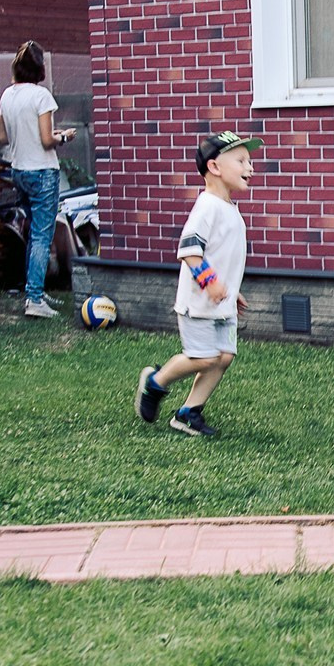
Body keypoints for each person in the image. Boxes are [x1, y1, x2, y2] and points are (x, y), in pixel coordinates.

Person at [136, 132, 260, 438]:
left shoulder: (229, 208)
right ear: (215, 167)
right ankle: (155, 382)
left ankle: (189, 413)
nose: (251, 167)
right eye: (241, 160)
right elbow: (190, 252)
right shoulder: (207, 207)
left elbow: (222, 255)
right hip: (199, 303)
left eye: (250, 160)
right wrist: (211, 283)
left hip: (222, 302)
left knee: (224, 357)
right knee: (203, 357)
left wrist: (231, 288)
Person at [0, 41, 75, 320]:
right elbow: (46, 139)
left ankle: (34, 290)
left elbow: (2, 137)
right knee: (42, 236)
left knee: (32, 234)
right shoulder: (41, 96)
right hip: (42, 172)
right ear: (39, 69)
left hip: (19, 171)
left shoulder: (7, 95)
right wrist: (63, 136)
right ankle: (34, 299)